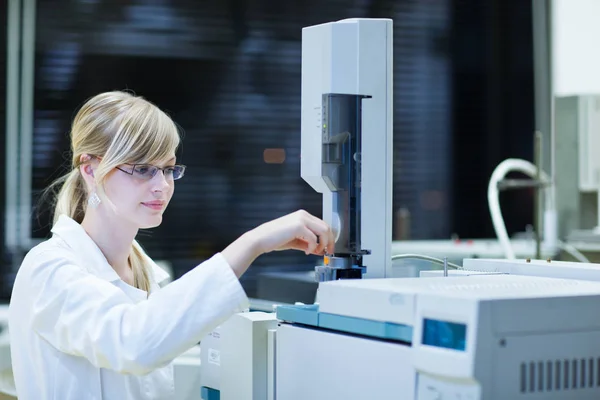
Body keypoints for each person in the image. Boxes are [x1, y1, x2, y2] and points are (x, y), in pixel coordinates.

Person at [8, 91, 334, 399]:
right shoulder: (50, 268)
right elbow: (135, 343)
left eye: (167, 169)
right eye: (143, 169)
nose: (161, 185)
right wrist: (253, 242)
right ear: (90, 169)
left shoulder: (147, 272)